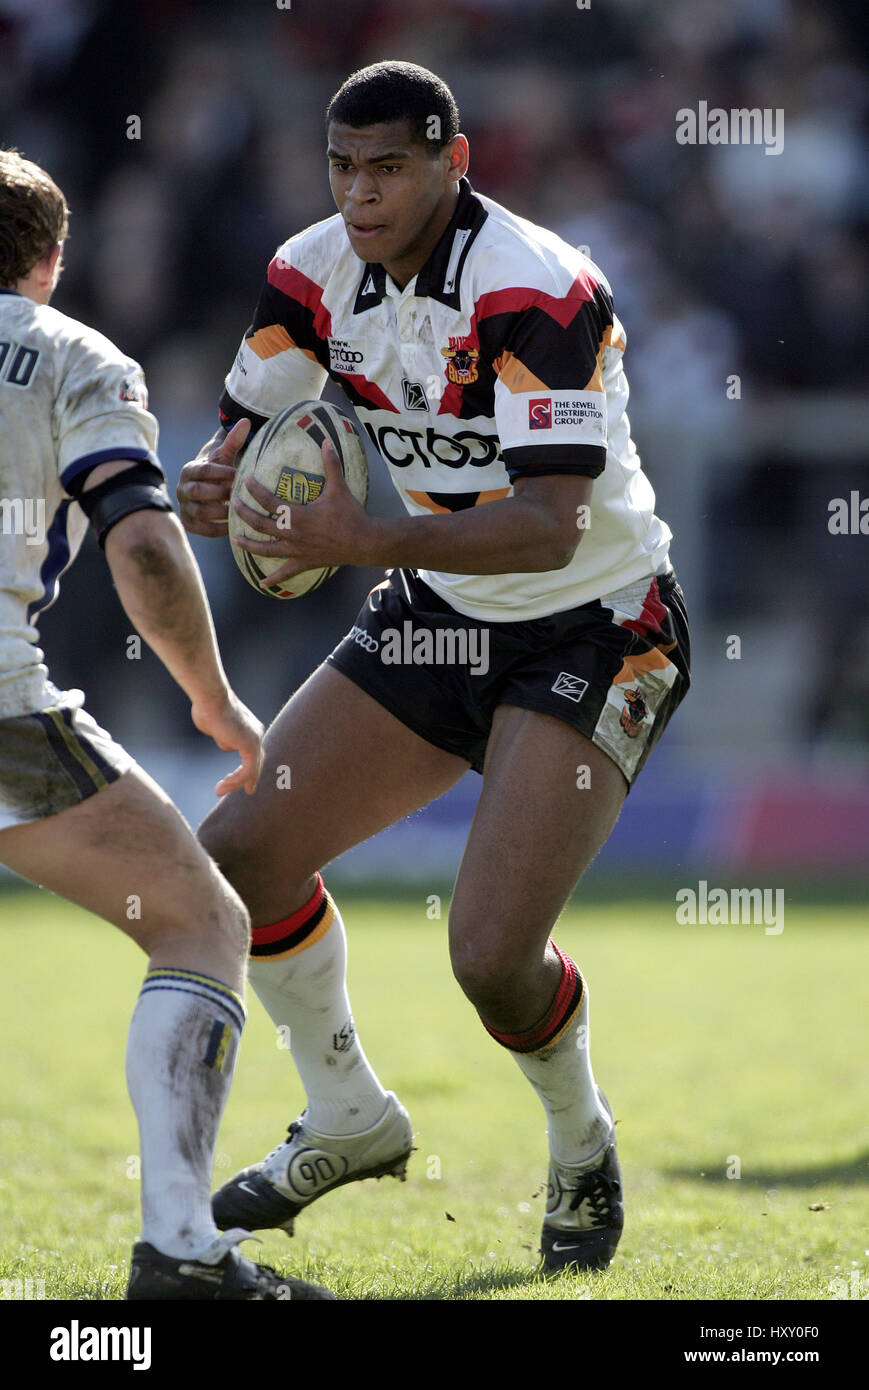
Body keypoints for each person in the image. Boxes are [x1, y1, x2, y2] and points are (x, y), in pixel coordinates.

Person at [177, 61, 690, 1276]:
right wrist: (218, 481)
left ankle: (578, 1140)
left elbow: (548, 523)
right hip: (440, 606)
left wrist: (367, 540)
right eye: (342, 168)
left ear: (452, 162)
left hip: (597, 621)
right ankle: (347, 1112)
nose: (359, 193)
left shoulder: (534, 287)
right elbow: (254, 423)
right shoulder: (308, 270)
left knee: (486, 957)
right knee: (240, 854)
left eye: (388, 168)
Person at [0, 149, 333, 1300]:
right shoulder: (72, 354)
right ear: (50, 260)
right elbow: (141, 541)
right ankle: (182, 1251)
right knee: (199, 923)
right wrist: (210, 694)